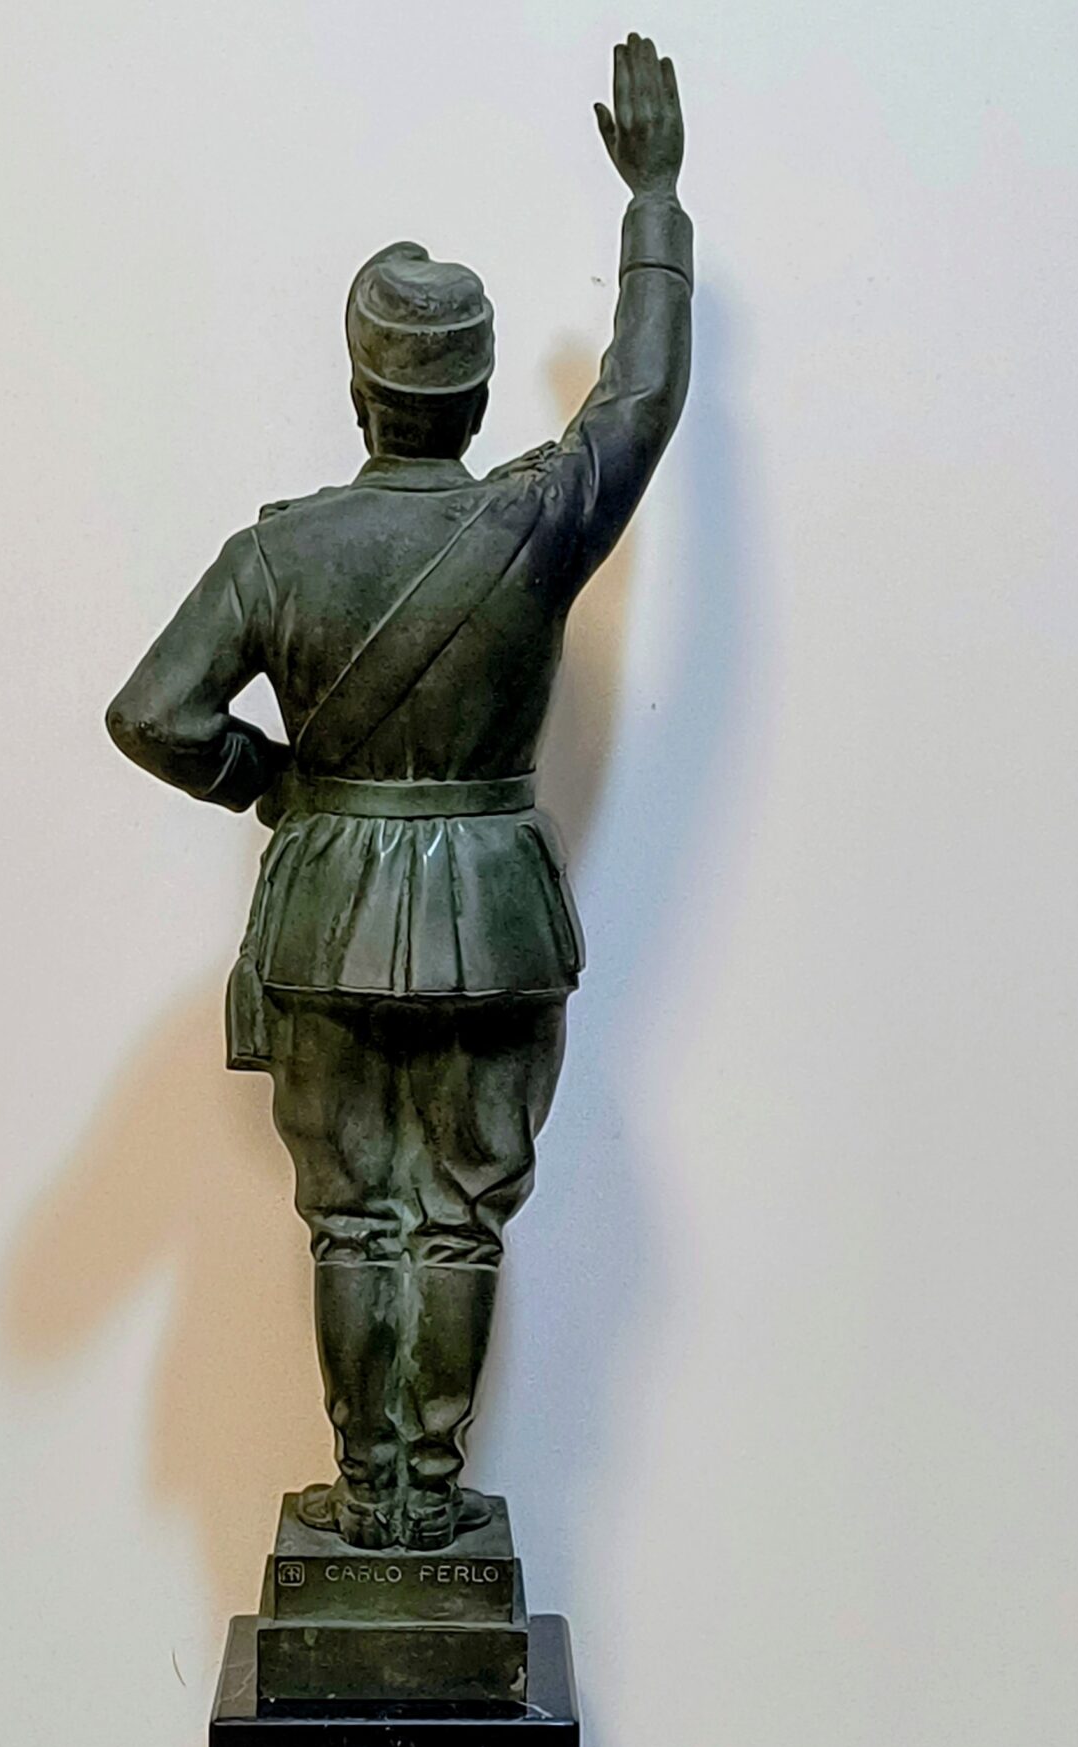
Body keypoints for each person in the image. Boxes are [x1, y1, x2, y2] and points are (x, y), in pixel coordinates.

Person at [106, 33, 692, 1551]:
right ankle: (427, 1497)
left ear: (360, 388)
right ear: (477, 392)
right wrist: (652, 203)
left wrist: (278, 785)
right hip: (492, 912)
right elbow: (638, 401)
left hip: (328, 907)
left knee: (355, 1216)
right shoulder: (537, 520)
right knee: (459, 1217)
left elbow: (154, 714)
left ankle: (368, 1496)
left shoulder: (281, 553)